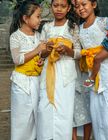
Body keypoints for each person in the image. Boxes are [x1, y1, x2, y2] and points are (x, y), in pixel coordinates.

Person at [75, 0, 108, 140]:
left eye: (84, 4)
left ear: (93, 4)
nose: (80, 8)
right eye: (77, 6)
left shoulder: (105, 22)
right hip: (92, 79)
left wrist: (98, 59)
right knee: (98, 118)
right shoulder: (79, 29)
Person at [37, 0, 81, 140]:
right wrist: (46, 50)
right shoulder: (46, 28)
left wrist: (68, 50)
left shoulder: (72, 27)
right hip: (48, 71)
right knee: (45, 107)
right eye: (56, 6)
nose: (59, 9)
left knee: (64, 109)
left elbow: (79, 52)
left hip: (66, 74)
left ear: (68, 8)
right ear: (51, 7)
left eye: (63, 6)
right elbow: (41, 53)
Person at [9, 1, 47, 140]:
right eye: (38, 16)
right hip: (21, 83)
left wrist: (41, 58)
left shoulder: (39, 36)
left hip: (37, 80)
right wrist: (37, 50)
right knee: (22, 120)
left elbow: (41, 55)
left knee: (37, 118)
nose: (40, 19)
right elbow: (17, 59)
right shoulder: (15, 36)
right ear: (25, 18)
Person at [72, 63, 92, 140]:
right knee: (71, 111)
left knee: (88, 110)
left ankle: (86, 138)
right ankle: (74, 138)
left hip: (87, 73)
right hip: (71, 72)